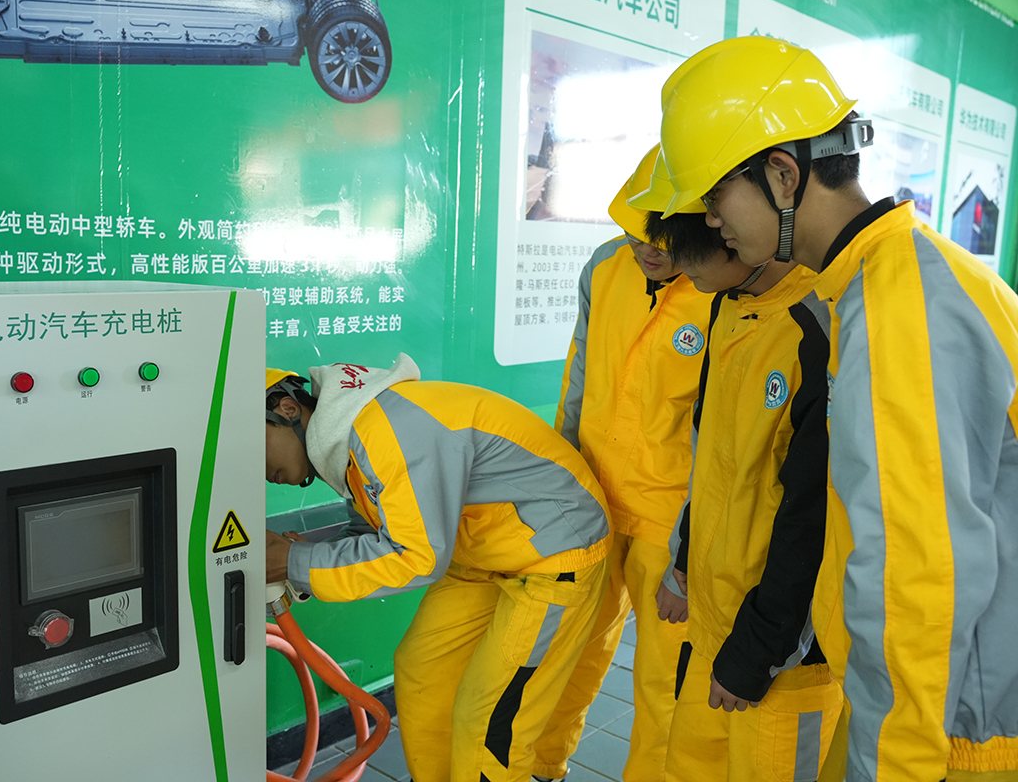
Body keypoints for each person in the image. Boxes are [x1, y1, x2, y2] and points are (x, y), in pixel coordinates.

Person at [643, 34, 1018, 781]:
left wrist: (892, 767)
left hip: (958, 735)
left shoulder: (902, 306)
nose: (711, 223)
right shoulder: (878, 284)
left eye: (715, 198)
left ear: (783, 175)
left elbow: (914, 583)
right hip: (927, 711)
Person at [263, 356, 613, 782]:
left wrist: (294, 560)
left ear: (286, 408)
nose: (258, 471)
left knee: (489, 719)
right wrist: (307, 555)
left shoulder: (384, 430)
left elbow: (416, 557)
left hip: (554, 553)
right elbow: (375, 526)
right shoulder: (349, 435)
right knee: (422, 673)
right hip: (483, 553)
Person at [639, 194, 843, 781]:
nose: (682, 270)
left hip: (783, 655)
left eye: (689, 256)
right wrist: (684, 563)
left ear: (735, 237)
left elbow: (814, 518)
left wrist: (757, 653)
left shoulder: (818, 330)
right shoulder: (727, 302)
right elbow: (709, 452)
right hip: (715, 622)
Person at [531, 144, 713, 782]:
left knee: (664, 684)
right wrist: (561, 482)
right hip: (594, 501)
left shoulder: (719, 288)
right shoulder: (605, 266)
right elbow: (577, 380)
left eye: (661, 238)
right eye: (636, 232)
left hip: (670, 516)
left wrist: (691, 550)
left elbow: (721, 432)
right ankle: (541, 767)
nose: (645, 249)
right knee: (570, 651)